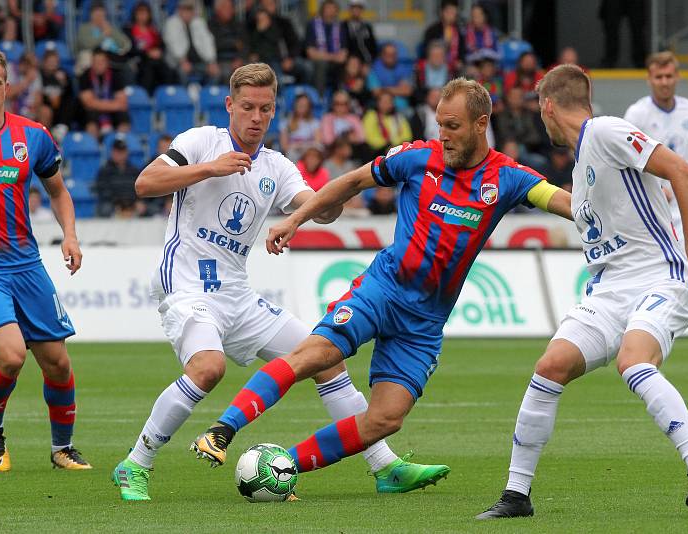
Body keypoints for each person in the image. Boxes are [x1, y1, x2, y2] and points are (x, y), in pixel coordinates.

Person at [189, 78, 573, 489]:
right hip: (383, 290)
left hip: (424, 322)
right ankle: (222, 430)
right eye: (440, 124)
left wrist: (604, 212)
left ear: (482, 124)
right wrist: (294, 219)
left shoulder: (509, 177)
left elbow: (561, 201)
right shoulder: (416, 158)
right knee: (313, 355)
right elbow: (352, 181)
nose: (443, 135)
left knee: (386, 419)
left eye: (453, 126)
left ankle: (282, 467)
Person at [111, 63, 447, 501]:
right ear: (230, 106)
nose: (255, 116)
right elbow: (145, 182)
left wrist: (314, 209)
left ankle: (384, 465)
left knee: (324, 359)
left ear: (274, 112)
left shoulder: (277, 166)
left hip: (239, 295)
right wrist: (210, 169)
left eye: (264, 109)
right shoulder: (200, 142)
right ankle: (136, 463)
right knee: (208, 368)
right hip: (188, 286)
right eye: (247, 107)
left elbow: (322, 208)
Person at [478, 64, 688, 520]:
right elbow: (568, 205)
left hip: (659, 276)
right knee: (550, 366)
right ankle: (516, 495)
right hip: (608, 291)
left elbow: (682, 169)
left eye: (540, 110)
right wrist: (508, 184)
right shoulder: (583, 167)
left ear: (548, 106)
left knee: (633, 361)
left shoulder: (606, 132)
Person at [0, 48, 90, 472]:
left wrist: (70, 235)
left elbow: (58, 192)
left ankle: (61, 449)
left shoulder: (32, 135)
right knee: (12, 355)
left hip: (26, 265)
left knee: (57, 361)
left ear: (8, 86)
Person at [624, 51, 688, 377]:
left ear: (677, 77)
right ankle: (641, 352)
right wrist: (653, 185)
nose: (665, 82)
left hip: (685, 214)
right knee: (649, 283)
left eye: (670, 76)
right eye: (659, 77)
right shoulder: (636, 113)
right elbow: (626, 162)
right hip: (650, 217)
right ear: (650, 78)